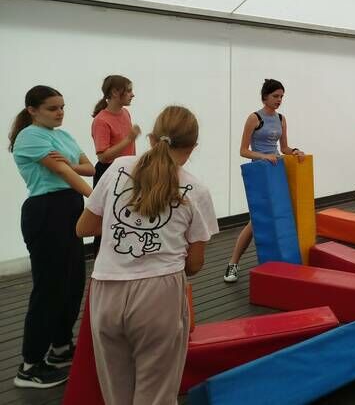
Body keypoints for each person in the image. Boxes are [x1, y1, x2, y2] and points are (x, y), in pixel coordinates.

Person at [76, 105, 218, 404]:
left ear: (152, 139)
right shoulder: (196, 190)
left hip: (106, 288)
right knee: (156, 393)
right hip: (159, 292)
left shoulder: (118, 168)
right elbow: (194, 264)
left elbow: (83, 227)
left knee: (116, 392)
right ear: (193, 147)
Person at [9, 86, 94, 388]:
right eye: (52, 108)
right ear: (32, 110)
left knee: (72, 284)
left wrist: (71, 165)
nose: (59, 113)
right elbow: (66, 175)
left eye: (62, 107)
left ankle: (60, 348)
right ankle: (30, 366)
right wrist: (100, 203)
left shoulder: (63, 136)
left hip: (69, 211)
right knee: (49, 289)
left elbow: (88, 167)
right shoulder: (30, 136)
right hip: (46, 213)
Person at [224, 79, 305, 283]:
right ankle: (233, 263)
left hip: (277, 171)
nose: (279, 100)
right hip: (260, 172)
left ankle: (281, 262)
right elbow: (243, 150)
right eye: (275, 96)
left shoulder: (281, 119)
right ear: (265, 97)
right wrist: (263, 156)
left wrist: (295, 151)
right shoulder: (254, 118)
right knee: (256, 220)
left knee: (276, 216)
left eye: (281, 97)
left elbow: (284, 148)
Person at [91, 75, 141, 255]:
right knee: (106, 220)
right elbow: (103, 156)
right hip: (109, 173)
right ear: (114, 92)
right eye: (128, 91)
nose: (132, 94)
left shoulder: (125, 113)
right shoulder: (101, 121)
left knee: (125, 217)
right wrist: (129, 139)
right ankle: (101, 259)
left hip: (127, 172)